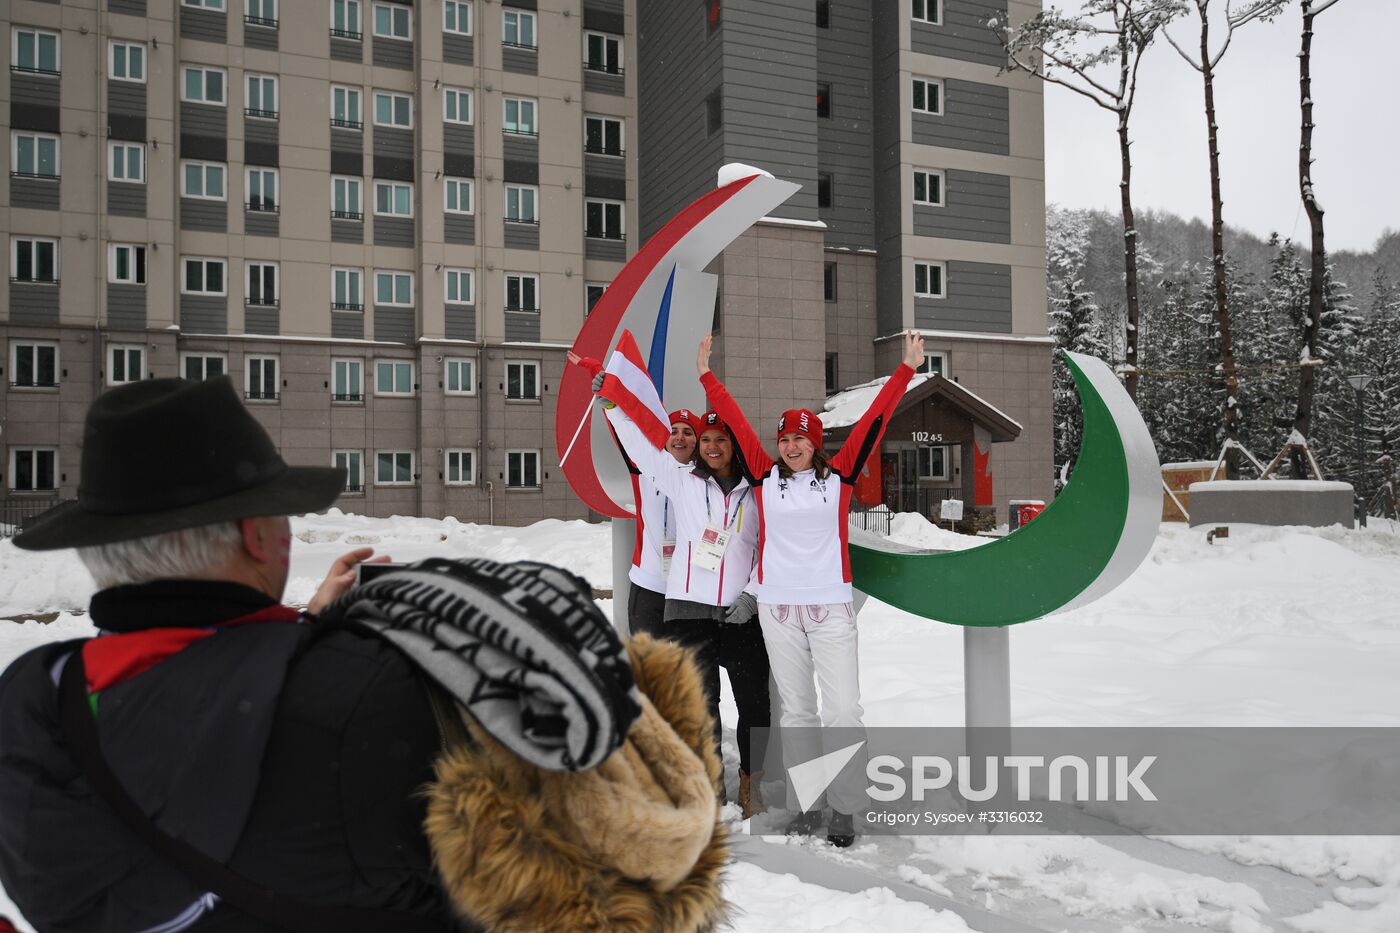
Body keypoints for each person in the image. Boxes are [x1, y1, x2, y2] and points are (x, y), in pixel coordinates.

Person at [0, 376, 731, 932]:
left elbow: (185, 694)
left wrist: (290, 634)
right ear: (259, 536)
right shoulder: (372, 706)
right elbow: (597, 890)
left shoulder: (33, 711)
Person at [698, 330, 925, 847]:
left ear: (815, 441)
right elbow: (732, 420)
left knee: (843, 709)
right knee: (798, 710)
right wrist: (707, 376)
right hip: (778, 609)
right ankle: (807, 803)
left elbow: (875, 422)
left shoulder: (838, 478)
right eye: (784, 439)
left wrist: (906, 369)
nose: (792, 446)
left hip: (829, 607)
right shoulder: (764, 477)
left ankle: (845, 808)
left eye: (800, 438)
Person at [595, 375, 773, 818]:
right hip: (689, 612)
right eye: (705, 439)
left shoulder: (758, 492)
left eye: (720, 439)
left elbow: (767, 549)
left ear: (733, 444)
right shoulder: (681, 481)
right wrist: (613, 402)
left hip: (740, 613)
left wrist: (750, 595)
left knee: (754, 702)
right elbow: (638, 448)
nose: (712, 446)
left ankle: (752, 784)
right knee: (702, 702)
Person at [618, 407, 701, 639]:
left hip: (689, 592)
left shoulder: (707, 479)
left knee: (691, 672)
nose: (680, 437)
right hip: (648, 587)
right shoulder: (643, 468)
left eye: (688, 432)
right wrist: (610, 402)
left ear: (697, 440)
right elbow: (625, 434)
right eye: (673, 431)